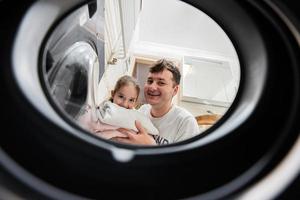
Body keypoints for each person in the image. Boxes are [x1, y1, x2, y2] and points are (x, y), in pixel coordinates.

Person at [115, 59, 200, 145]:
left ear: (175, 90)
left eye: (161, 83)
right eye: (150, 81)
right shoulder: (142, 110)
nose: (152, 87)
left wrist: (150, 146)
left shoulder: (185, 122)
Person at [77, 75, 158, 141]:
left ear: (135, 102)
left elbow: (148, 131)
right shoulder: (105, 109)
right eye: (121, 96)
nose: (125, 104)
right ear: (113, 94)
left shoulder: (135, 115)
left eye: (131, 100)